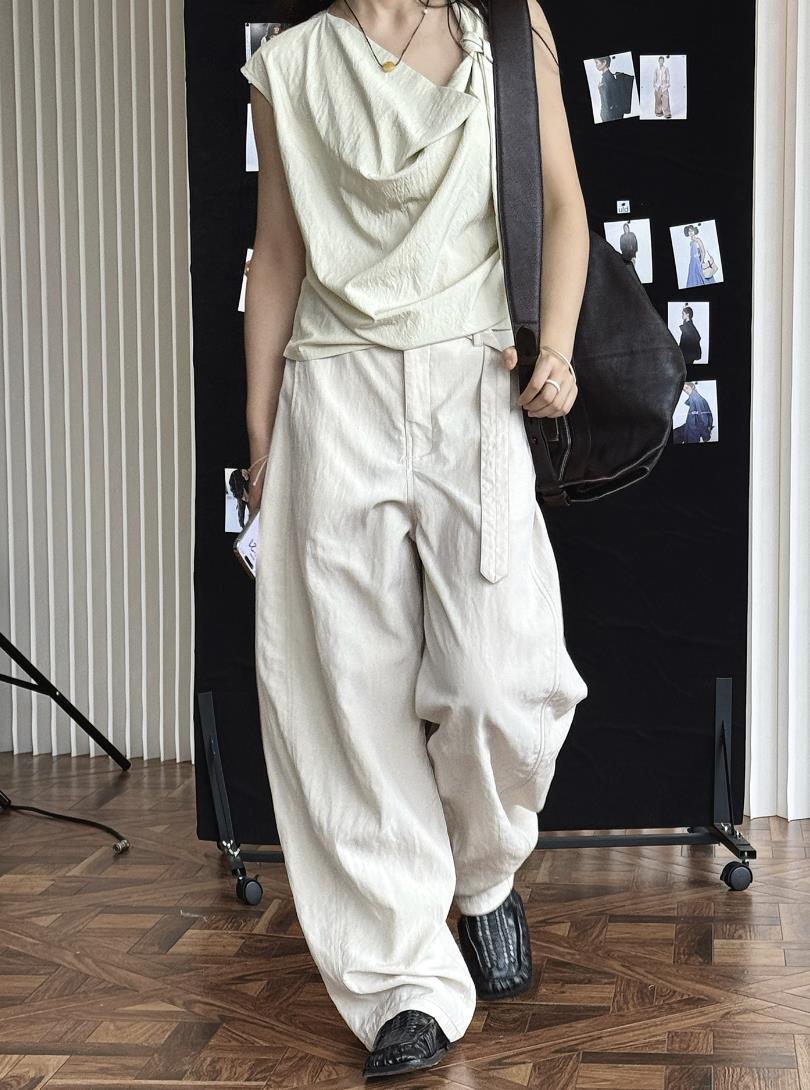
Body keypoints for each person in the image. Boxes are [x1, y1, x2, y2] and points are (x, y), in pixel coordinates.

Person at [240, 0, 590, 1077]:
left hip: (472, 380)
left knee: (501, 680)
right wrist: (261, 436)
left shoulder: (505, 27)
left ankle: (483, 875)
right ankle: (403, 981)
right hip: (331, 391)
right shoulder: (290, 65)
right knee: (348, 702)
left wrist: (558, 348)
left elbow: (564, 206)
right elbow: (278, 253)